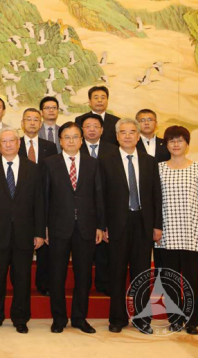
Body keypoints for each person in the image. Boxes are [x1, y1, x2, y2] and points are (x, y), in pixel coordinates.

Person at [0, 129, 45, 333]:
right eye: (4, 141)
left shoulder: (32, 168)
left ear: (18, 143)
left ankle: (20, 318)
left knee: (22, 279)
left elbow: (39, 203)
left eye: (12, 141)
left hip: (25, 234)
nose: (8, 144)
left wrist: (39, 233)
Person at [100, 118, 162, 335]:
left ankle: (142, 319)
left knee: (142, 273)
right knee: (116, 272)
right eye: (123, 132)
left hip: (143, 224)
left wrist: (157, 225)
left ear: (138, 136)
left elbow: (156, 195)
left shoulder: (149, 161)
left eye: (132, 132)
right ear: (117, 136)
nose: (127, 136)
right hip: (116, 224)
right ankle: (117, 318)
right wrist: (102, 225)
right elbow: (101, 196)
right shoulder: (105, 161)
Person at [44, 122, 105, 334]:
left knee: (83, 276)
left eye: (75, 137)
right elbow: (44, 198)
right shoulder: (49, 163)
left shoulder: (92, 163)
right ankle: (59, 318)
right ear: (60, 141)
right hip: (58, 227)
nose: (71, 141)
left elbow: (99, 196)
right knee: (57, 275)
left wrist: (100, 226)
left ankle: (79, 318)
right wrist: (44, 227)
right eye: (67, 137)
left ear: (81, 140)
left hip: (86, 227)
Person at [155, 126, 198, 335]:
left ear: (187, 144)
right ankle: (175, 319)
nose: (176, 144)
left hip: (191, 232)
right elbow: (155, 201)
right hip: (166, 233)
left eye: (180, 140)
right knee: (169, 280)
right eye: (172, 140)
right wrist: (155, 227)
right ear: (167, 144)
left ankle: (192, 321)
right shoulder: (159, 168)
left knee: (190, 279)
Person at [19, 107, 57, 297]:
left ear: (41, 124)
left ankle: (44, 283)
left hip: (44, 199)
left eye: (36, 119)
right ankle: (19, 284)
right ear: (22, 123)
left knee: (43, 242)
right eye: (28, 119)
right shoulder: (14, 143)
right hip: (20, 203)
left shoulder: (50, 146)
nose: (32, 123)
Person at [79, 113, 117, 296]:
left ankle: (103, 282)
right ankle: (83, 286)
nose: (92, 129)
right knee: (83, 253)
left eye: (96, 126)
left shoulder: (113, 150)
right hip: (83, 207)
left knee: (104, 250)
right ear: (82, 130)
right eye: (88, 126)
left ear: (102, 130)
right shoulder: (76, 149)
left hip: (106, 205)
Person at [136, 109, 170, 271]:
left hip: (166, 197)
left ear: (156, 123)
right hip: (140, 200)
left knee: (163, 249)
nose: (146, 123)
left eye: (150, 119)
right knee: (140, 251)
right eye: (142, 120)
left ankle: (161, 281)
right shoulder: (131, 145)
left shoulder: (167, 144)